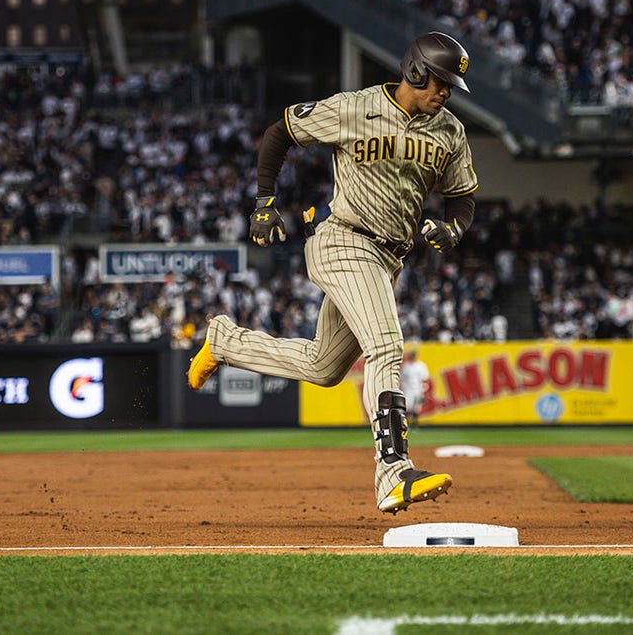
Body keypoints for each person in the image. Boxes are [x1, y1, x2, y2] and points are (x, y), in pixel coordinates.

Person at [188, 32, 478, 514]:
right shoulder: (355, 108)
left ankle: (224, 343)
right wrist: (264, 201)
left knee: (325, 367)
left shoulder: (450, 131)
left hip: (388, 259)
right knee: (385, 345)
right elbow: (282, 130)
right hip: (342, 239)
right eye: (440, 82)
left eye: (451, 86)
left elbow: (462, 196)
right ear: (414, 71)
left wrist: (453, 227)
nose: (445, 92)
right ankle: (394, 472)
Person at [400, 347, 431, 425]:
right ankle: (405, 424)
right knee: (407, 407)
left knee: (416, 408)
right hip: (408, 390)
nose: (412, 356)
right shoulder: (406, 366)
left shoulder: (421, 365)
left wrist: (425, 392)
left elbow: (425, 379)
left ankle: (415, 425)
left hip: (418, 389)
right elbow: (401, 379)